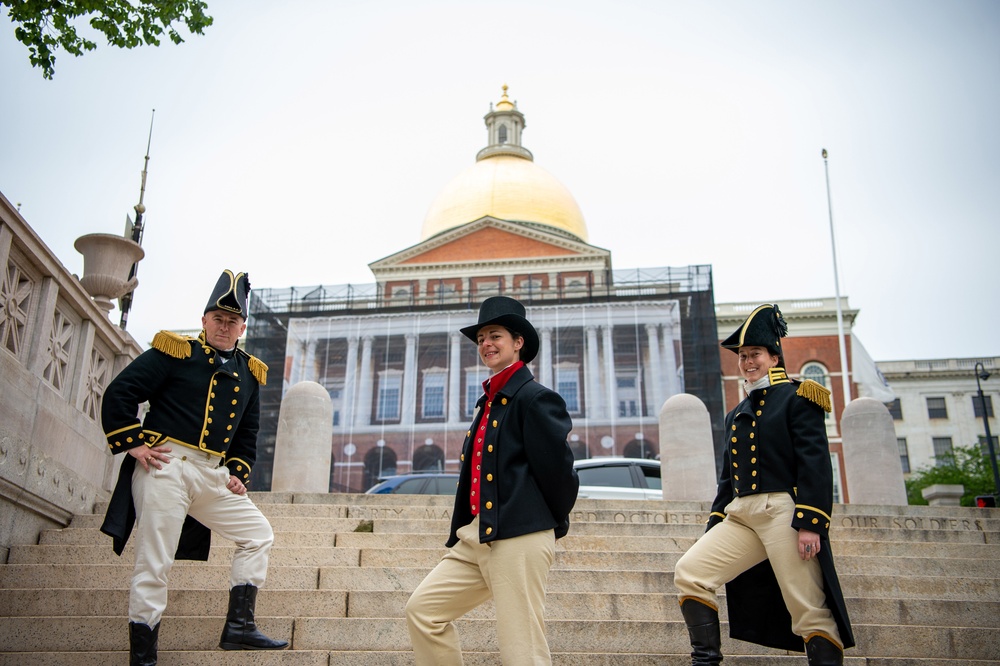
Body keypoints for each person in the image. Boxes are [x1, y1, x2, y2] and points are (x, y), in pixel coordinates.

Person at [100, 270, 288, 665]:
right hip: (166, 464)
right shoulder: (176, 351)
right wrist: (133, 443)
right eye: (217, 319)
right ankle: (144, 656)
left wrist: (238, 471)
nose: (224, 326)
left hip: (211, 474)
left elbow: (247, 432)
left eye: (232, 321)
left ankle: (238, 629)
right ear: (204, 321)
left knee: (258, 534)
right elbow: (121, 392)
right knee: (156, 560)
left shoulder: (249, 373)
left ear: (242, 327)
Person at [673, 304, 855, 666]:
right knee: (691, 573)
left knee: (808, 608)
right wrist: (714, 524)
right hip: (741, 516)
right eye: (742, 356)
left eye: (754, 354)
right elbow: (728, 478)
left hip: (783, 515)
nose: (747, 362)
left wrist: (811, 523)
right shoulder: (735, 412)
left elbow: (815, 464)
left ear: (774, 357)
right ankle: (705, 662)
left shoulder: (799, 397)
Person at [405, 296, 580, 665]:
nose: (486, 343)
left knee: (522, 648)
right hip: (477, 535)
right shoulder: (489, 401)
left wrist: (542, 524)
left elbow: (560, 474)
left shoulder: (535, 398)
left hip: (519, 536)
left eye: (495, 335)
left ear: (519, 343)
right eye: (481, 337)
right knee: (423, 611)